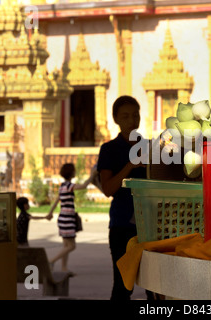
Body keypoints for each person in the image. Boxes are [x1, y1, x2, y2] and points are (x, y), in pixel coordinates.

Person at [97, 95, 148, 300]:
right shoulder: (109, 149)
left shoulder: (152, 147)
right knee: (123, 286)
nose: (131, 121)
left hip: (150, 224)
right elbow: (108, 189)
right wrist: (130, 165)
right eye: (125, 116)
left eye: (135, 115)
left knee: (155, 285)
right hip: (122, 226)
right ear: (116, 119)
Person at [46, 163, 97, 273]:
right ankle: (51, 261)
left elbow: (56, 201)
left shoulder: (62, 186)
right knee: (72, 246)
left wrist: (50, 213)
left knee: (66, 245)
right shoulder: (69, 186)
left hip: (62, 218)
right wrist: (92, 175)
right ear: (71, 172)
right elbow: (83, 186)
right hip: (68, 219)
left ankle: (64, 268)